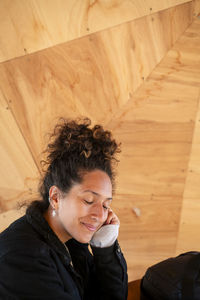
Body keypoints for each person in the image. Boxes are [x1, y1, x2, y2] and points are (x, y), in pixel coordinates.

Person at [0, 118, 128, 300]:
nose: (100, 215)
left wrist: (105, 248)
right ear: (55, 198)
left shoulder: (72, 241)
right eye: (89, 200)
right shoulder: (22, 258)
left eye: (106, 205)